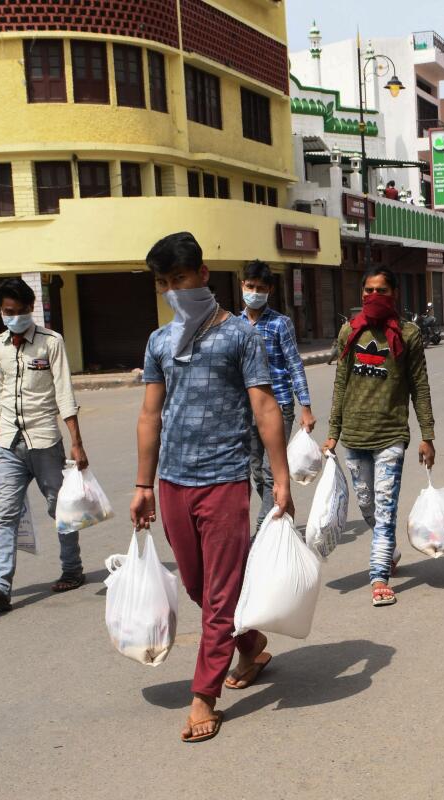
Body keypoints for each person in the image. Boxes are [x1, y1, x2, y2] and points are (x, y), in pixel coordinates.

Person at [131, 232, 293, 743]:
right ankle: (250, 642)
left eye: (178, 279)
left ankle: (204, 695)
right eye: (163, 283)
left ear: (203, 276)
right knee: (200, 587)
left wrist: (281, 480)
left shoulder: (240, 336)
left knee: (220, 594)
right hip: (173, 482)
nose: (172, 290)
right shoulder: (160, 341)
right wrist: (143, 485)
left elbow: (266, 408)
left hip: (224, 481)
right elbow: (149, 415)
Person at [0, 278, 90, 612]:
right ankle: (0, 587)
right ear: (0, 311)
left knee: (60, 508)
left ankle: (72, 569)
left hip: (44, 441)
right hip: (9, 443)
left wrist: (76, 443)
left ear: (31, 309)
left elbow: (65, 393)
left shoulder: (51, 342)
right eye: (9, 311)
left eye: (22, 311)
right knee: (4, 515)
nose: (16, 317)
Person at [324, 268, 436, 608]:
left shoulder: (409, 334)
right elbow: (340, 384)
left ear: (394, 294)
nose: (374, 295)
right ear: (361, 294)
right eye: (368, 289)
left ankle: (379, 578)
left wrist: (427, 435)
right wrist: (332, 433)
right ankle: (392, 551)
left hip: (391, 436)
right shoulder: (349, 333)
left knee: (385, 510)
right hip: (355, 437)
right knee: (367, 505)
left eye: (381, 289)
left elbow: (419, 386)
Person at [239, 259, 316, 530]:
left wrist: (304, 406)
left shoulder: (280, 324)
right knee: (256, 471)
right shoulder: (234, 326)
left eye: (261, 288)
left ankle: (264, 528)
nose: (255, 292)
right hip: (245, 409)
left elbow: (294, 363)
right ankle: (283, 511)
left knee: (272, 471)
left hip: (279, 406)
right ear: (242, 285)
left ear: (269, 290)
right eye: (251, 286)